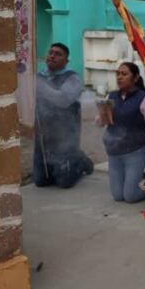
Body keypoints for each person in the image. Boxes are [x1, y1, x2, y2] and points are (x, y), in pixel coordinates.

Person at [31, 43, 95, 188]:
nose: (52, 56)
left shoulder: (72, 78)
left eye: (58, 54)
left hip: (65, 134)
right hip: (43, 134)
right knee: (41, 181)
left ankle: (81, 161)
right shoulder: (40, 75)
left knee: (64, 182)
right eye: (50, 52)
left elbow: (63, 100)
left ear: (66, 61)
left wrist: (40, 85)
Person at [97, 62, 145, 202]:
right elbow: (101, 123)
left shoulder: (144, 99)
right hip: (114, 153)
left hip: (135, 151)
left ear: (135, 78)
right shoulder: (111, 96)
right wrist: (101, 116)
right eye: (118, 74)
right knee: (118, 196)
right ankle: (138, 177)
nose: (119, 77)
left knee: (130, 197)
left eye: (124, 74)